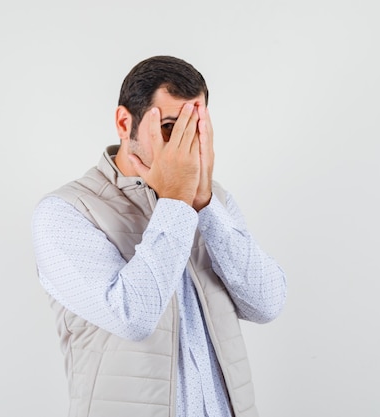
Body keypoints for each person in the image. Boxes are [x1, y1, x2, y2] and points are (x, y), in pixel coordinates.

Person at [32, 55, 287, 417]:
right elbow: (132, 318)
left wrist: (204, 204)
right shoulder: (66, 212)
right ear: (125, 122)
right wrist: (176, 202)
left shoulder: (212, 200)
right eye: (171, 127)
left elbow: (267, 304)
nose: (185, 146)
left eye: (195, 128)